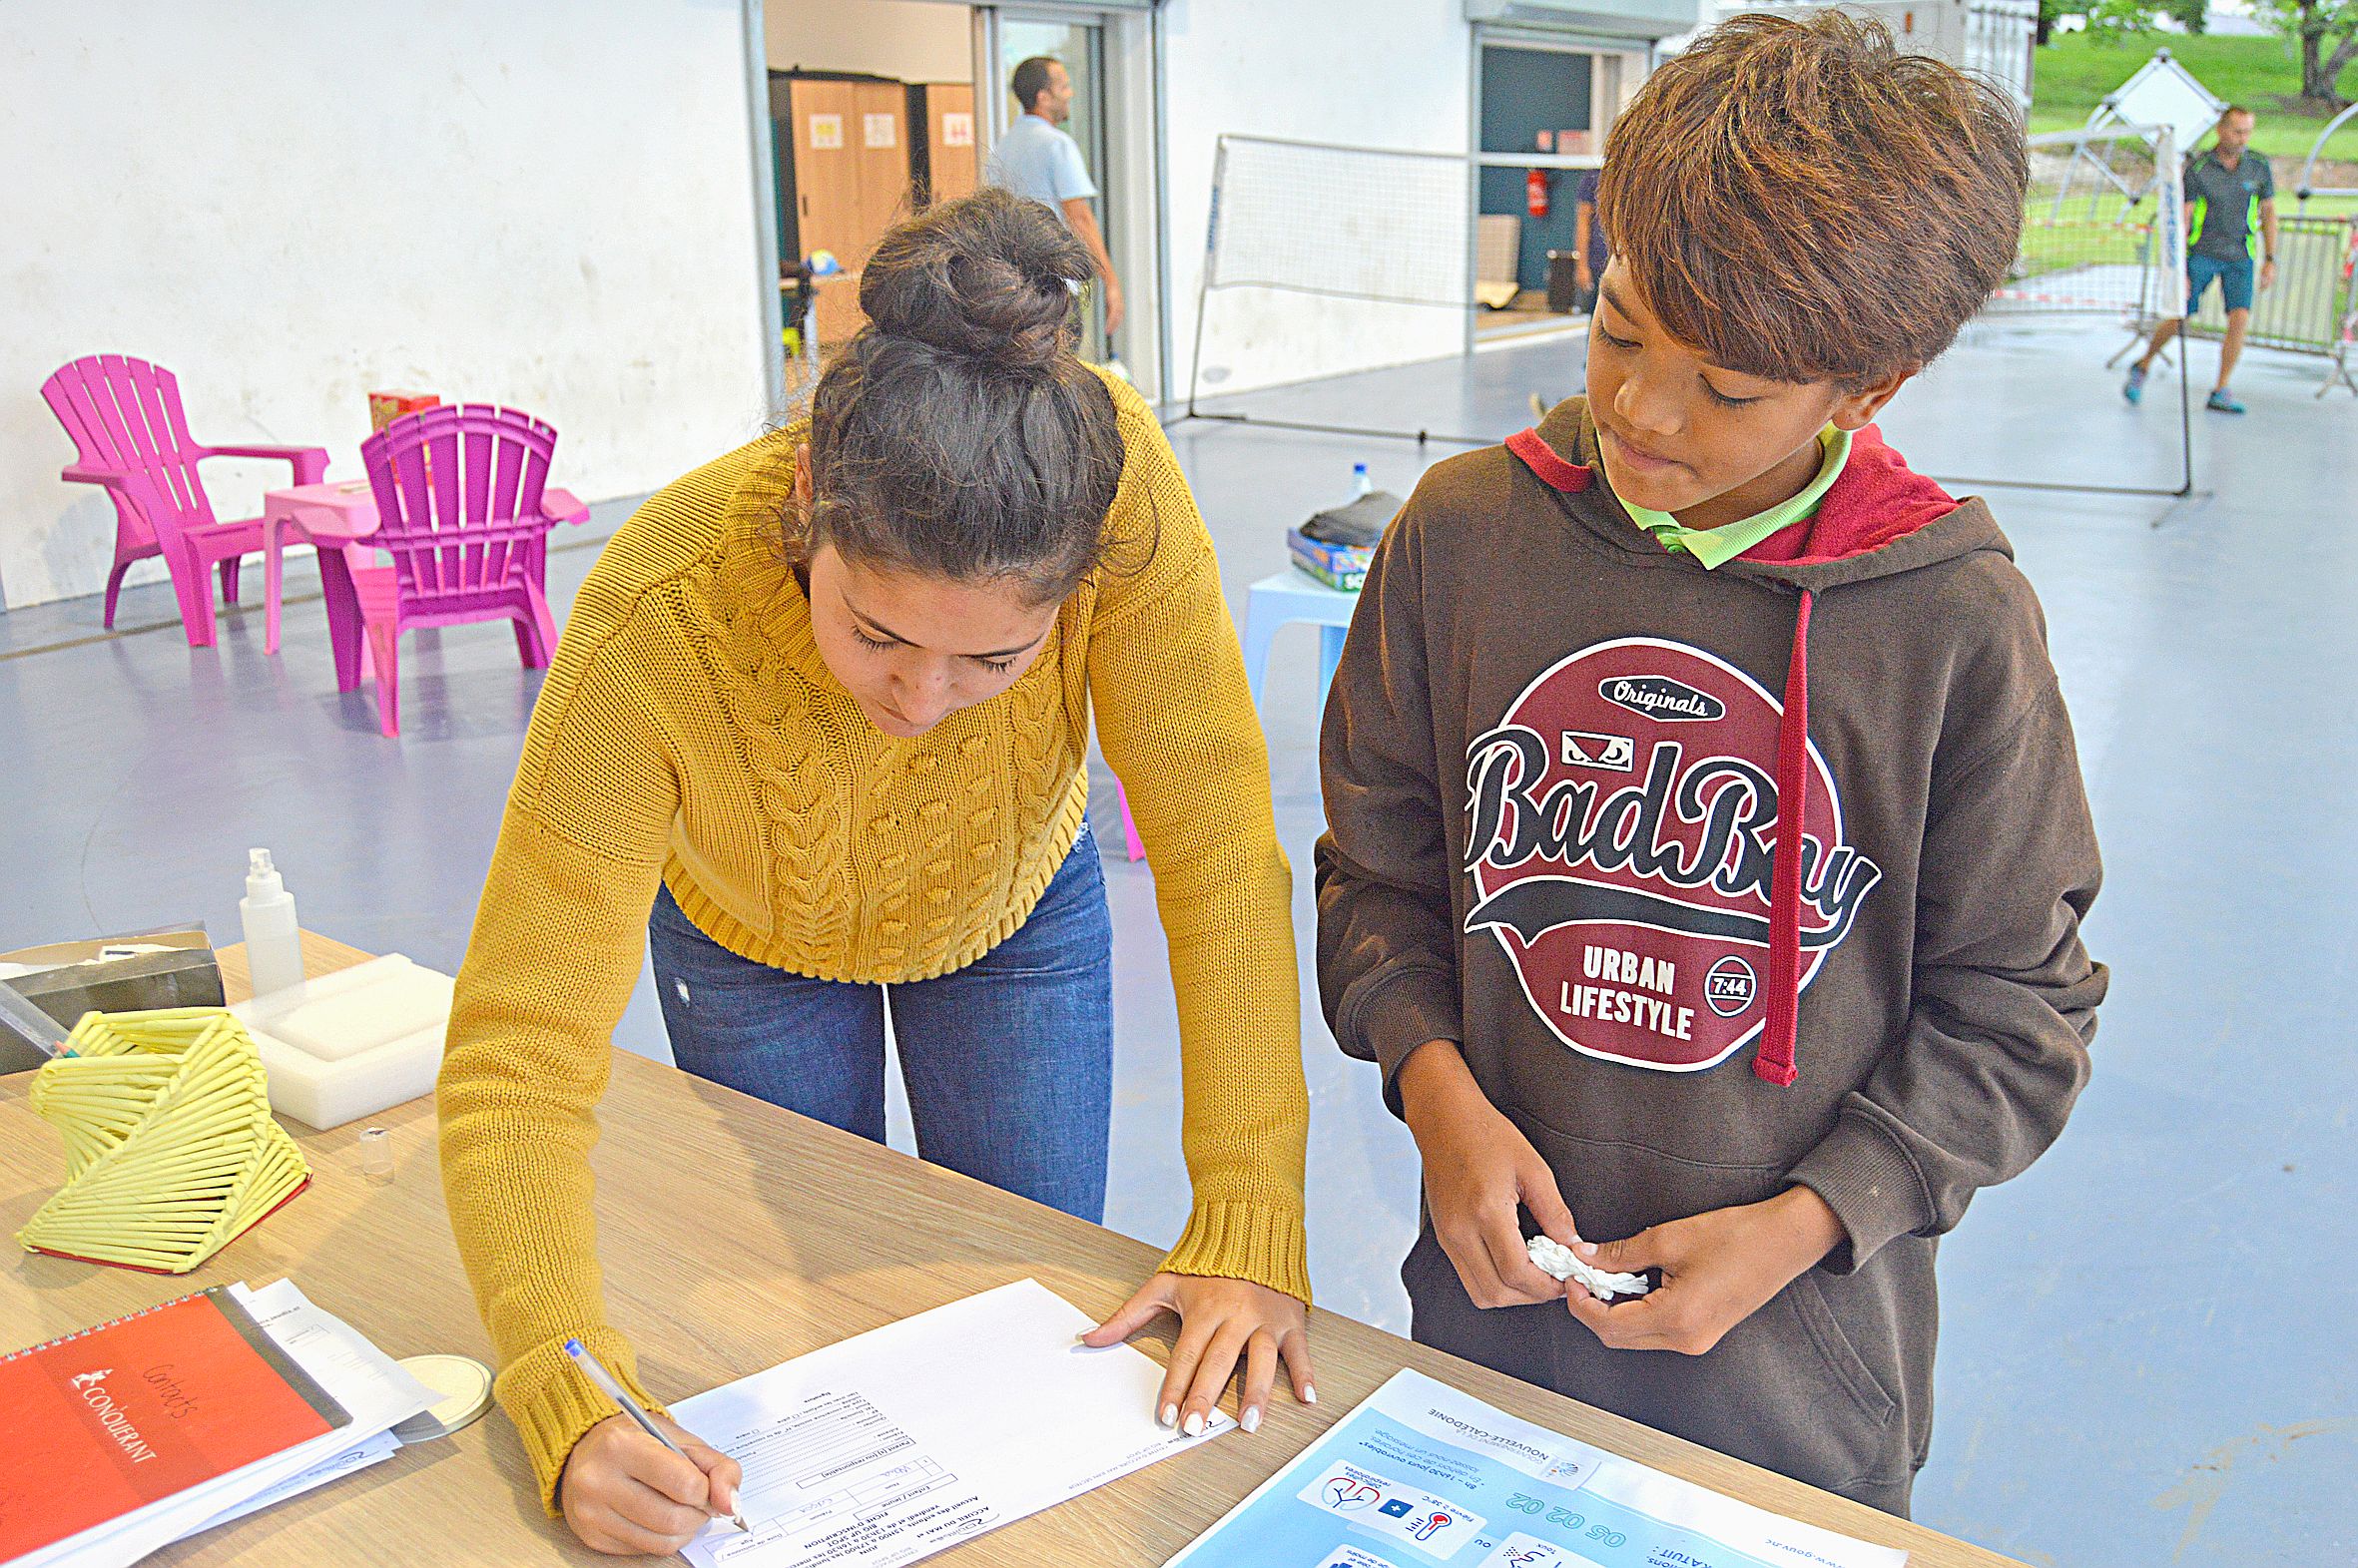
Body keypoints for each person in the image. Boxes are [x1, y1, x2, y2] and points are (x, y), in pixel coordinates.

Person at [440, 188, 1314, 1557]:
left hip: (1017, 914)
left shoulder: (1114, 488)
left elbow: (1214, 849)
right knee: (816, 1309)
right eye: (877, 632)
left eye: (993, 661)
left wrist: (1250, 1211)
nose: (918, 696)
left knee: (1023, 1313)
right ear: (808, 503)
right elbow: (519, 1044)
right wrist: (565, 1382)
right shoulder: (656, 611)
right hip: (747, 940)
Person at [1317, 13, 2105, 1518]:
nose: (1640, 412)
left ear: (1869, 383)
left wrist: (1816, 1217)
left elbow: (2021, 1005)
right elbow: (1378, 875)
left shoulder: (1948, 618)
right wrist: (1434, 1089)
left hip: (1792, 1386)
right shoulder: (1462, 535)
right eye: (1618, 329)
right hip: (1488, 1341)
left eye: (1728, 389)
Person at [2125, 105, 2278, 414]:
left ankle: (2221, 387)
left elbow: (2268, 212)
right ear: (2221, 130)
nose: (2242, 138)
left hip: (2240, 255)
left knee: (2239, 318)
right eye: (2237, 131)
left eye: (2247, 131)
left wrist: (2271, 257)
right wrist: (2178, 266)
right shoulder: (2199, 168)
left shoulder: (2258, 166)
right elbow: (2185, 217)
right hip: (2202, 253)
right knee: (2181, 316)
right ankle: (2143, 364)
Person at [985, 55, 1124, 337]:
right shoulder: (1057, 145)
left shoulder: (1002, 148)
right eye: (1064, 87)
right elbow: (1080, 218)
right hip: (1056, 290)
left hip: (1016, 292)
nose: (1070, 93)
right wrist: (1110, 282)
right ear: (1043, 97)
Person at [1571, 163, 1608, 313]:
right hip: (1597, 262)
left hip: (1623, 262)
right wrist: (1582, 265)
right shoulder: (1594, 177)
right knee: (1596, 317)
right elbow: (1582, 223)